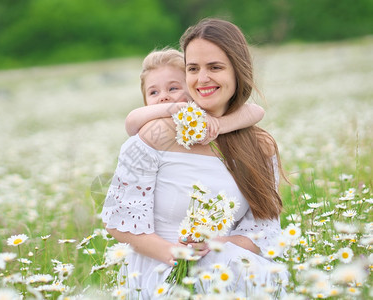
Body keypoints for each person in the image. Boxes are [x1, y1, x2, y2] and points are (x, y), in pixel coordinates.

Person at [101, 18, 288, 299]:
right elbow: (120, 222)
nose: (202, 79)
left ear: (239, 71)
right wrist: (178, 255)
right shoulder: (156, 135)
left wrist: (217, 245)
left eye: (215, 67)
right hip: (160, 272)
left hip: (229, 267)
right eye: (193, 69)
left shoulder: (259, 146)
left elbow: (265, 229)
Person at [124, 48, 265, 144]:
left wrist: (219, 126)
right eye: (153, 92)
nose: (163, 97)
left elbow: (257, 111)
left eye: (173, 88)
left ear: (193, 89)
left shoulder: (204, 118)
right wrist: (181, 107)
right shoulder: (152, 128)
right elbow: (131, 121)